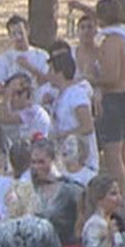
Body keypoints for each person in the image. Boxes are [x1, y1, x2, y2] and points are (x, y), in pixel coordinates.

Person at [90, 0, 125, 186]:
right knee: (124, 154)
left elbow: (112, 77)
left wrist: (90, 79)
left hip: (115, 99)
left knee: (113, 155)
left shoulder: (111, 42)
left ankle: (120, 198)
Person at [48, 52, 98, 186]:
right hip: (66, 162)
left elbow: (87, 126)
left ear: (60, 73)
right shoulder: (60, 95)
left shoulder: (77, 94)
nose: (48, 74)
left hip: (83, 163)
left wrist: (61, 134)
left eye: (51, 70)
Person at [0, 15, 50, 96]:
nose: (18, 37)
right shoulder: (5, 59)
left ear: (27, 31)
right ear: (9, 36)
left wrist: (29, 67)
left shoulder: (42, 55)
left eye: (21, 32)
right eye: (14, 34)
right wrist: (13, 90)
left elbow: (48, 81)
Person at [0, 73, 50, 149]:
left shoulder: (34, 111)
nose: (14, 97)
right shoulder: (16, 111)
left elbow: (4, 119)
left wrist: (8, 93)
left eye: (18, 93)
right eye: (12, 94)